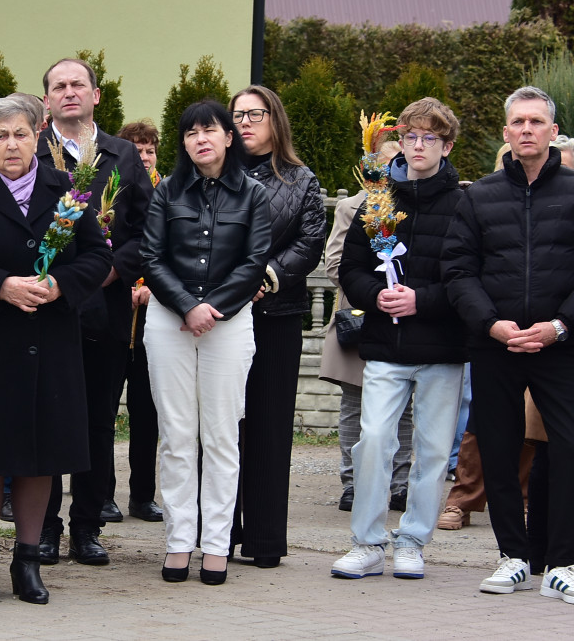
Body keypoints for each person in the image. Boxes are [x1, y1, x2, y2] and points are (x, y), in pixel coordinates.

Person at [0, 96, 112, 604]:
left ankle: (28, 563)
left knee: (40, 455)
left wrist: (60, 285)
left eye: (21, 134)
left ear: (39, 136)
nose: (12, 144)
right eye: (0, 135)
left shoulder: (66, 190)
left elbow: (97, 256)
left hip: (48, 343)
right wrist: (1, 285)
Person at [442, 86, 574, 601]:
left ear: (553, 131)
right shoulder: (480, 196)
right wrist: (491, 324)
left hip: (559, 347)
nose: (526, 130)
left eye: (536, 122)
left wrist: (559, 327)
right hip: (495, 345)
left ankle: (562, 561)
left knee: (567, 448)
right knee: (497, 452)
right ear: (505, 133)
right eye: (518, 122)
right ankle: (513, 557)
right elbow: (458, 270)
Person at [331, 97, 466, 580]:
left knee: (431, 450)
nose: (418, 145)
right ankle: (366, 542)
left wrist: (421, 301)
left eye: (430, 137)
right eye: (410, 136)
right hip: (385, 346)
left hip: (443, 349)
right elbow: (350, 267)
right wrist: (375, 296)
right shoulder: (377, 200)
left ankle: (412, 541)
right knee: (374, 442)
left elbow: (468, 275)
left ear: (446, 145)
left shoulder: (464, 203)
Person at [142, 100, 271, 585]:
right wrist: (186, 306)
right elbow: (151, 257)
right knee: (176, 436)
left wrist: (212, 307)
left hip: (229, 322)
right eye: (191, 132)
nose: (201, 139)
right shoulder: (166, 191)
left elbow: (255, 260)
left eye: (210, 130)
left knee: (220, 435)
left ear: (228, 137)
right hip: (170, 320)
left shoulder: (254, 194)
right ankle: (179, 541)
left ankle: (216, 545)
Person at [35, 58, 152, 563]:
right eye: (58, 87)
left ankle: (87, 526)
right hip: (45, 305)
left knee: (97, 421)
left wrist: (112, 269)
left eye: (77, 84)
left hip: (105, 306)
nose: (68, 93)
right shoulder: (32, 150)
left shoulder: (123, 155)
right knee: (44, 417)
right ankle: (42, 528)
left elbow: (149, 230)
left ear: (96, 95)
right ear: (46, 100)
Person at [228, 86, 326, 568]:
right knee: (223, 427)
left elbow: (310, 242)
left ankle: (265, 542)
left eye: (255, 114)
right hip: (220, 319)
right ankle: (218, 535)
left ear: (275, 120)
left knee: (267, 428)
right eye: (237, 115)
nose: (245, 122)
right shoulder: (212, 175)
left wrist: (267, 276)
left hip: (275, 316)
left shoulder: (301, 179)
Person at [320, 151, 413, 514]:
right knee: (354, 406)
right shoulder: (352, 206)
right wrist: (374, 288)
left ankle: (399, 484)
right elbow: (335, 265)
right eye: (384, 160)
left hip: (404, 319)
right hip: (360, 318)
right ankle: (352, 483)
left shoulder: (413, 204)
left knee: (403, 409)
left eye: (398, 158)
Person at [108, 120, 163, 522]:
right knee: (104, 413)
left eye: (150, 150)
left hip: (152, 324)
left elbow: (171, 251)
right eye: (137, 150)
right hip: (113, 315)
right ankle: (102, 494)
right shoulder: (112, 195)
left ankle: (143, 494)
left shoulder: (168, 193)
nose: (144, 157)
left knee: (148, 415)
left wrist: (152, 289)